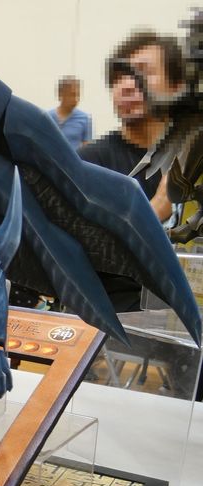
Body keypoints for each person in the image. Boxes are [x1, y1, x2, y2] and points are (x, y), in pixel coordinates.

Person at [79, 30, 185, 312]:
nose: (126, 86)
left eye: (142, 73)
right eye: (118, 78)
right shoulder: (88, 164)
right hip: (115, 325)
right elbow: (79, 257)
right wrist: (158, 207)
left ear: (176, 88)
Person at [48, 76, 92, 150]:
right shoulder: (48, 118)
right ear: (61, 94)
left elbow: (88, 150)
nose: (75, 99)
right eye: (72, 95)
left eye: (78, 95)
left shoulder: (84, 119)